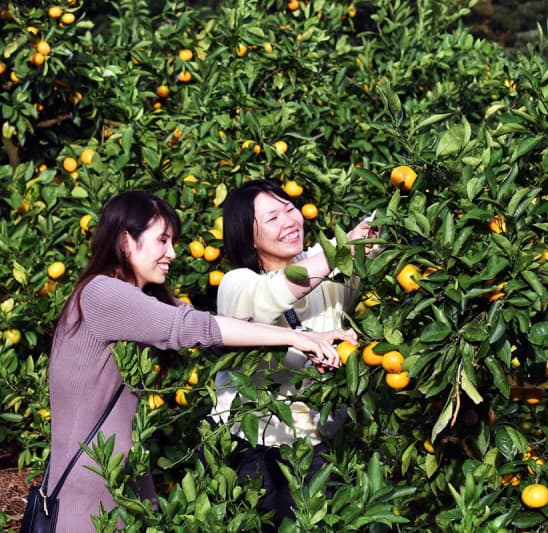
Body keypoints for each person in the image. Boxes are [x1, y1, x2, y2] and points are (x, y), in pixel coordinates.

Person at [47, 190, 356, 533]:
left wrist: (314, 341)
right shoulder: (102, 294)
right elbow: (193, 328)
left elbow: (217, 333)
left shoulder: (143, 299)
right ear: (126, 241)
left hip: (128, 480)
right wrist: (294, 337)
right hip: (87, 490)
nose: (173, 253)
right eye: (162, 240)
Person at [211, 179, 378, 530]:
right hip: (253, 450)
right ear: (249, 236)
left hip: (317, 447)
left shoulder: (327, 269)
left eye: (290, 209)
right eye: (272, 217)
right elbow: (282, 289)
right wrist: (347, 245)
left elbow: (376, 240)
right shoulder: (237, 285)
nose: (289, 221)